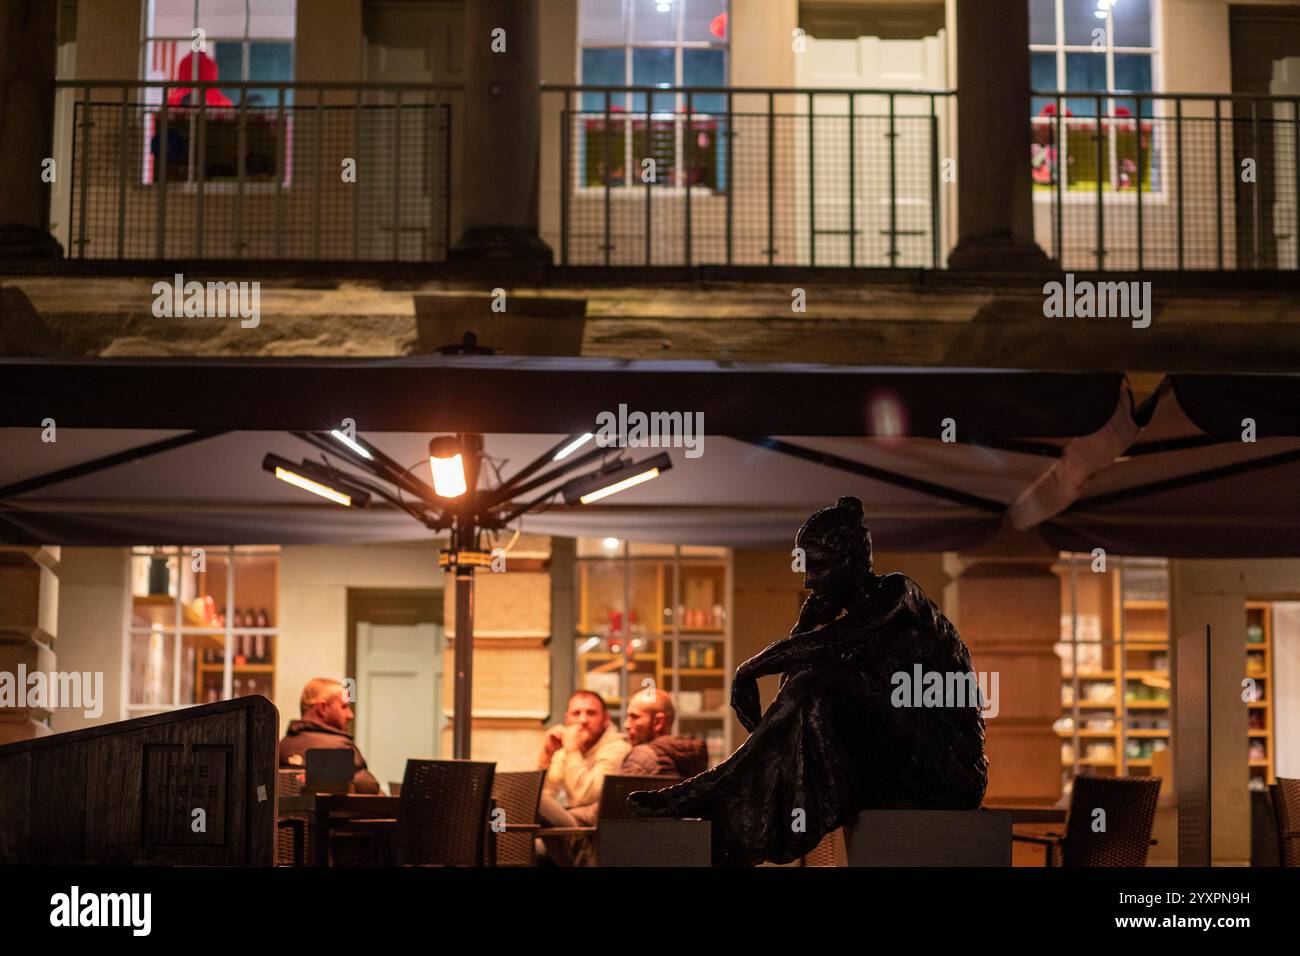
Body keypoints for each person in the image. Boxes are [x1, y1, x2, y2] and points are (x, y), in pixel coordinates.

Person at [629, 496, 988, 866]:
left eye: (815, 568)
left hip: (946, 771)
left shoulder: (897, 594)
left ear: (848, 561)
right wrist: (803, 624)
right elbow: (796, 688)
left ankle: (719, 791)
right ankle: (729, 805)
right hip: (900, 764)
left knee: (823, 683)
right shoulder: (853, 633)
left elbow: (833, 643)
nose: (808, 580)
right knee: (815, 685)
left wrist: (750, 669)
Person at [535, 690, 631, 865]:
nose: (583, 720)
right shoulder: (566, 749)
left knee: (534, 801)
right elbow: (546, 795)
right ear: (566, 719)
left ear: (606, 719)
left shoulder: (617, 748)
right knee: (526, 802)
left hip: (596, 833)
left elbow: (587, 797)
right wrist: (546, 756)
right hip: (573, 825)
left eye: (591, 713)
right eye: (576, 713)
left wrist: (572, 750)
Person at [278, 677, 381, 795]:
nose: (350, 715)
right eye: (344, 707)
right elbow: (369, 787)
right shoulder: (339, 746)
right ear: (322, 708)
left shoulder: (282, 745)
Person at [621, 687, 708, 778]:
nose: (626, 724)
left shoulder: (641, 757)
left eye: (635, 717)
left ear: (658, 722)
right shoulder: (691, 756)